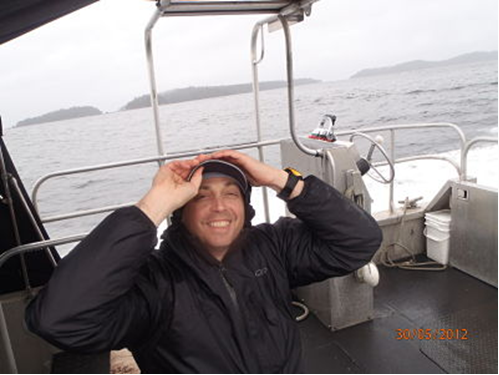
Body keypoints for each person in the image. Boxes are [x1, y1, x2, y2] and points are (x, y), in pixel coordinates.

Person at [25, 149, 383, 373]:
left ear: (246, 207)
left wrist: (280, 180)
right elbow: (59, 320)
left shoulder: (274, 245)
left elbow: (359, 241)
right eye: (201, 197)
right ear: (179, 211)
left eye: (232, 194)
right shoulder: (153, 282)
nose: (219, 207)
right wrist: (151, 207)